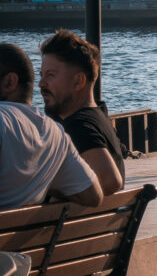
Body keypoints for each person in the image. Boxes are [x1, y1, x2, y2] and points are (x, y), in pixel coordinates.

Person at [0, 43, 103, 210]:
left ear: (10, 82)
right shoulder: (56, 133)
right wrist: (41, 183)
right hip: (32, 228)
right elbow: (93, 195)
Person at [39, 30, 125, 196]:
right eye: (41, 75)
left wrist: (43, 188)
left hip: (80, 214)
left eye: (50, 75)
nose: (41, 84)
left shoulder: (79, 126)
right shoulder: (98, 118)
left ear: (79, 81)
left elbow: (110, 181)